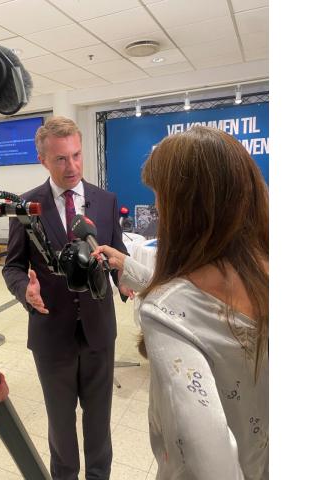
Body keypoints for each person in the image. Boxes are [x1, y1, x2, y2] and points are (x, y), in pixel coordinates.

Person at [94, 126, 269, 480]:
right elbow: (196, 306)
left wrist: (155, 299)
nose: (158, 208)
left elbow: (209, 458)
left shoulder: (164, 315)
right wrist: (128, 267)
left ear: (186, 208)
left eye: (161, 197)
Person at [2, 116, 131, 480]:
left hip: (99, 331)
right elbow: (12, 267)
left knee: (99, 421)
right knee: (60, 424)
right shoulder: (26, 205)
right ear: (43, 160)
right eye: (60, 158)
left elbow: (117, 253)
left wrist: (124, 279)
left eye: (76, 155)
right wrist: (25, 291)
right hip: (51, 334)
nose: (71, 166)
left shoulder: (106, 201)